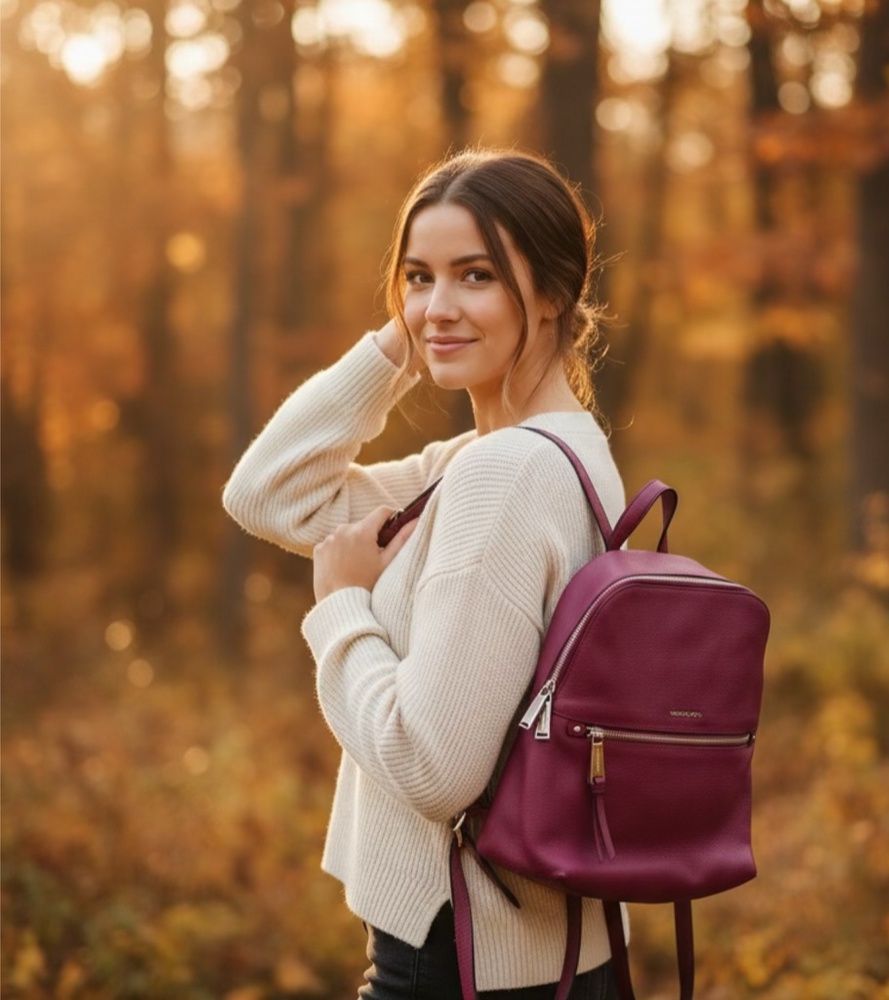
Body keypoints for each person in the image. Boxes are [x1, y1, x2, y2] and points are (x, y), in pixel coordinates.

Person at [223, 149, 626, 999]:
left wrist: (340, 612)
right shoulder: (530, 458)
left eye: (474, 276)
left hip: (465, 962)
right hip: (548, 955)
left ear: (552, 292)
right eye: (417, 278)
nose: (436, 308)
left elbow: (432, 767)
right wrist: (398, 345)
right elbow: (267, 493)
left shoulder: (501, 478)